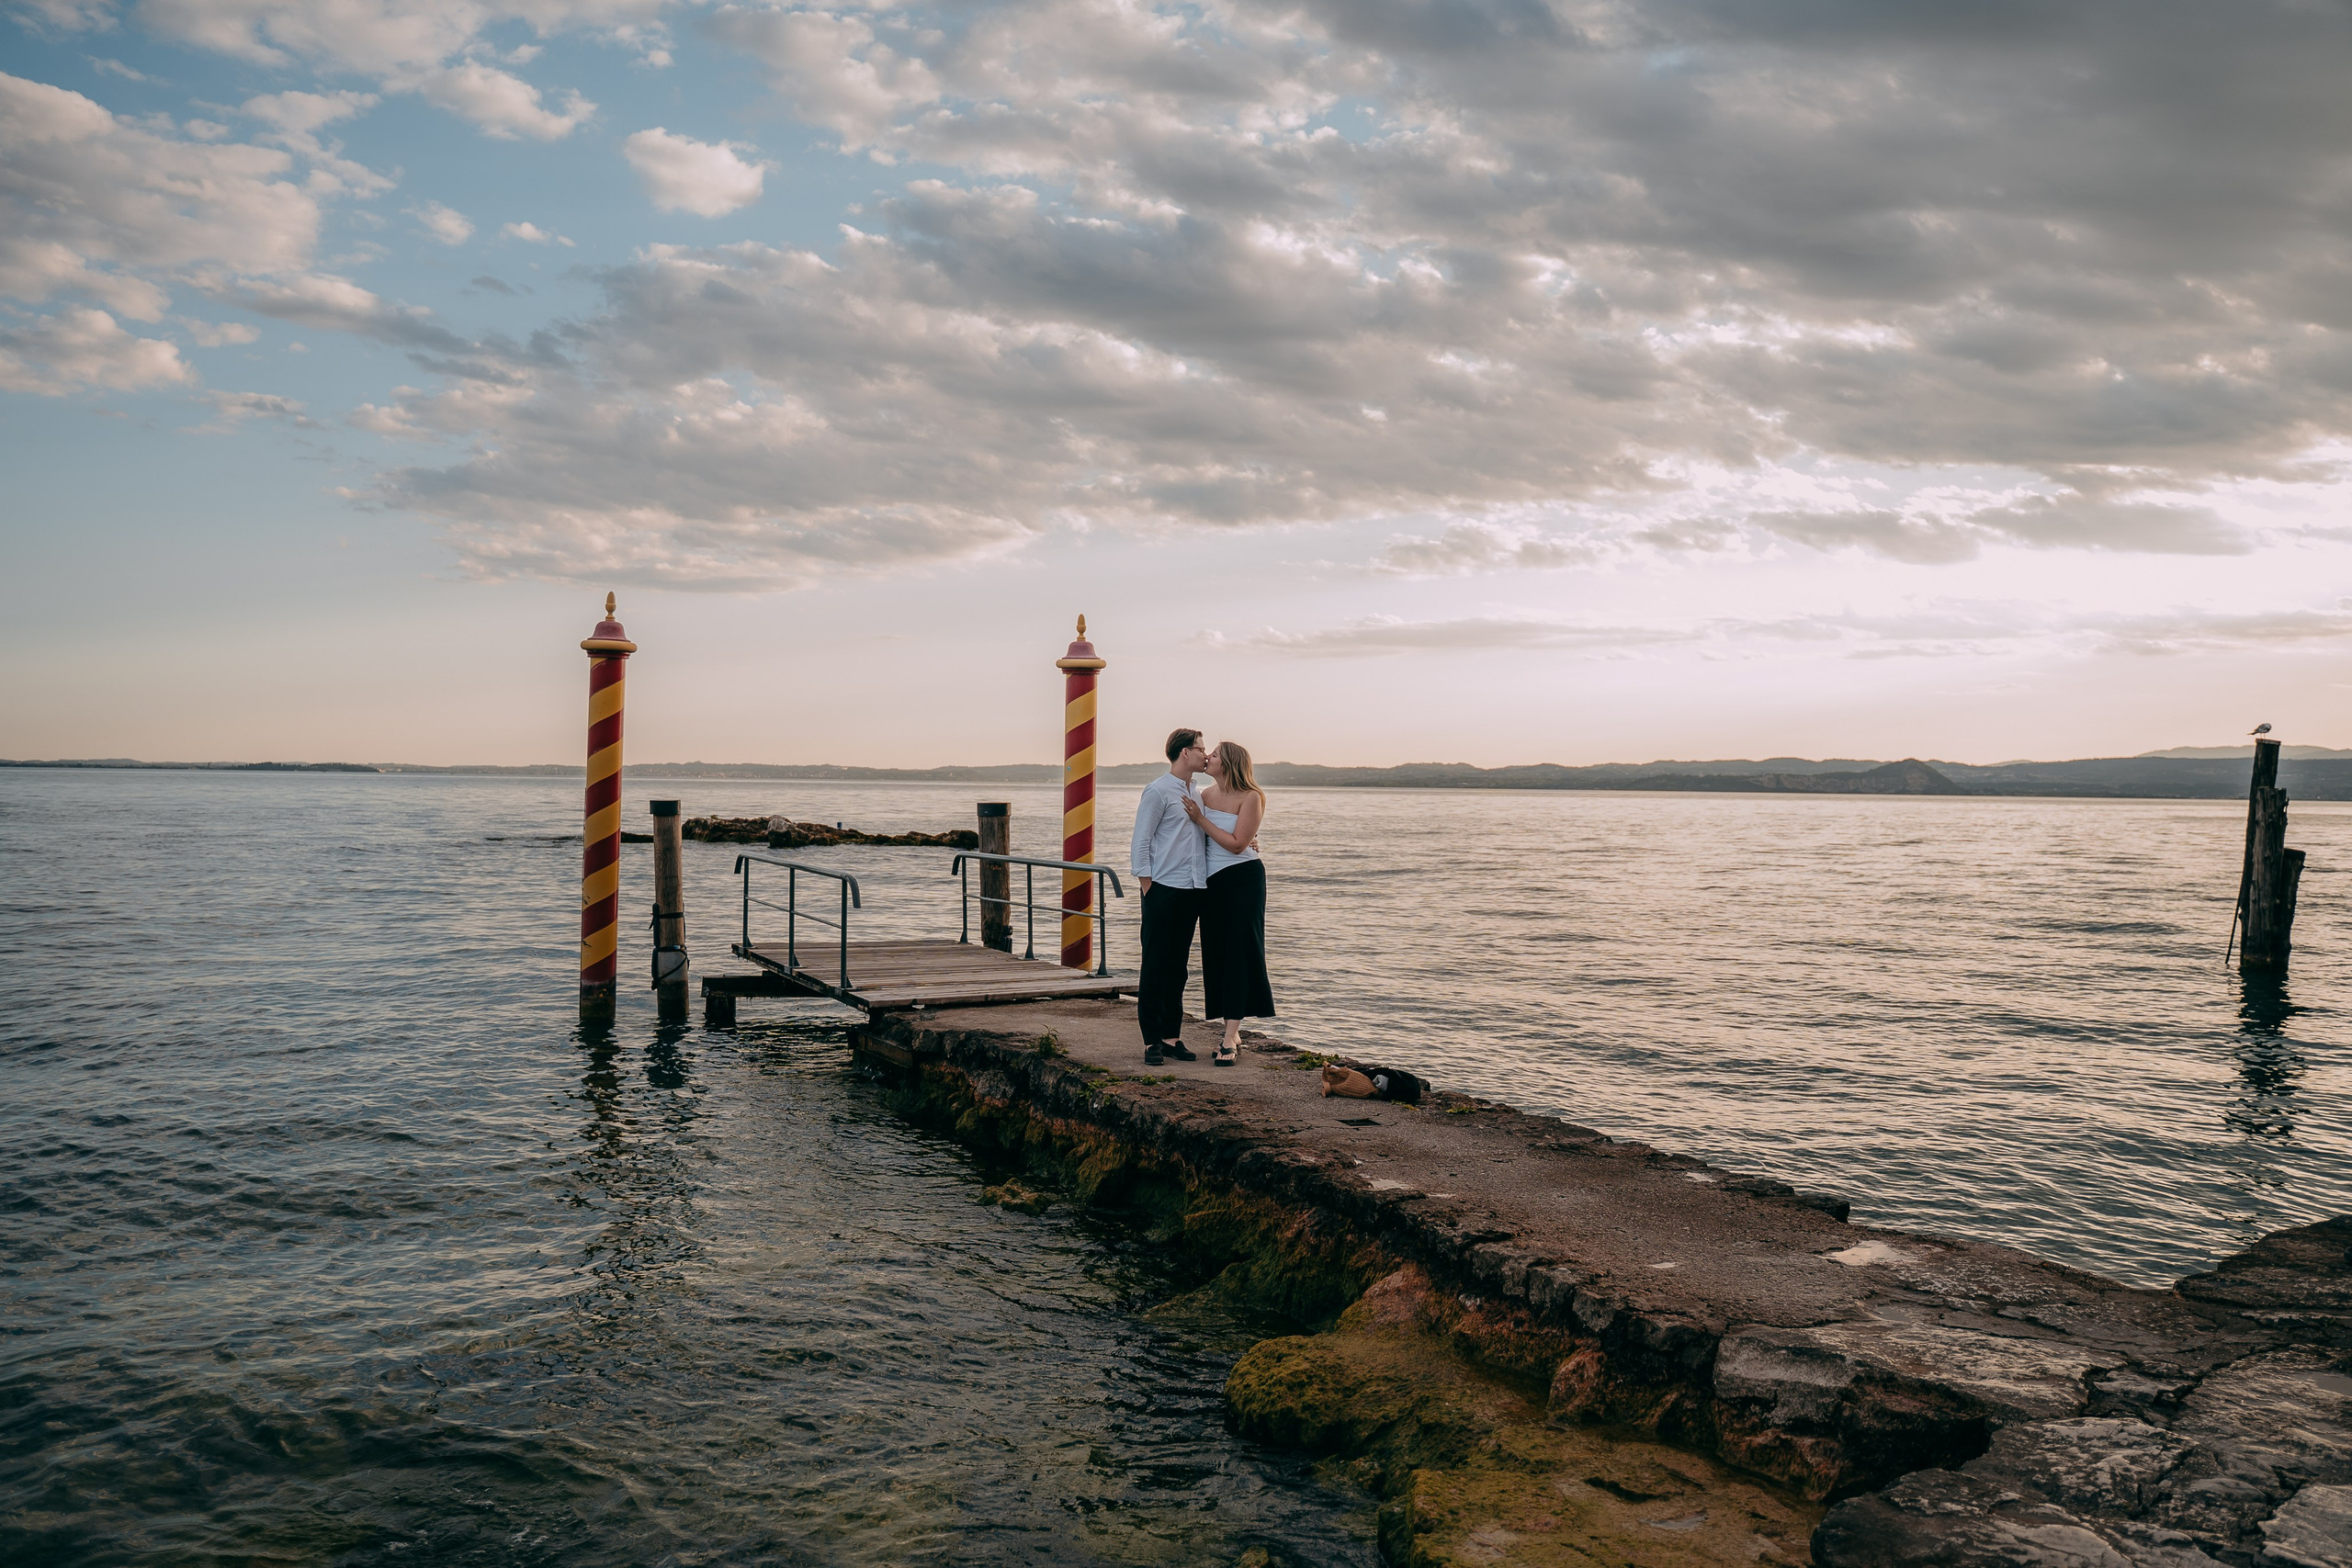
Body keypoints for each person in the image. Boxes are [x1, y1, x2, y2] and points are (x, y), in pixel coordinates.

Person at [1183, 740, 1274, 1066]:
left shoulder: (1251, 796)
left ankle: (1229, 1039)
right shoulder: (1204, 795)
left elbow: (1237, 845)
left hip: (1243, 881)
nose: (1208, 757)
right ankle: (1231, 1030)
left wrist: (1201, 820)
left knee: (1239, 953)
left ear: (1230, 763)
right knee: (1217, 955)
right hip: (1212, 884)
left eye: (1215, 754)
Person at [1130, 728, 1211, 1066]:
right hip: (1162, 889)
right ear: (1183, 753)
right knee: (1155, 966)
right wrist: (1149, 887)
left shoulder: (1201, 794)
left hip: (1193, 890)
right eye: (1200, 749)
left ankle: (1171, 1036)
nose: (1206, 755)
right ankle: (1151, 1042)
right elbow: (1141, 842)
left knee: (1178, 968)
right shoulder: (1158, 791)